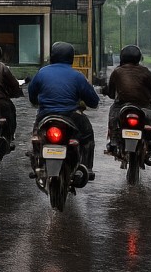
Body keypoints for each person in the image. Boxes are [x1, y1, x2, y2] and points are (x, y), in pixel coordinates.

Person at [27, 41, 101, 178]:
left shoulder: (41, 73)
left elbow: (32, 94)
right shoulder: (77, 76)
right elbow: (93, 101)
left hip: (45, 115)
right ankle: (86, 167)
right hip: (71, 115)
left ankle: (36, 163)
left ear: (52, 56)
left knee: (37, 137)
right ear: (71, 57)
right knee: (87, 136)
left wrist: (37, 102)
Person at [103, 44, 151, 155]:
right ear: (139, 57)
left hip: (122, 106)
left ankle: (113, 141)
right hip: (143, 107)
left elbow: (111, 93)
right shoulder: (145, 71)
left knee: (113, 113)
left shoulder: (117, 72)